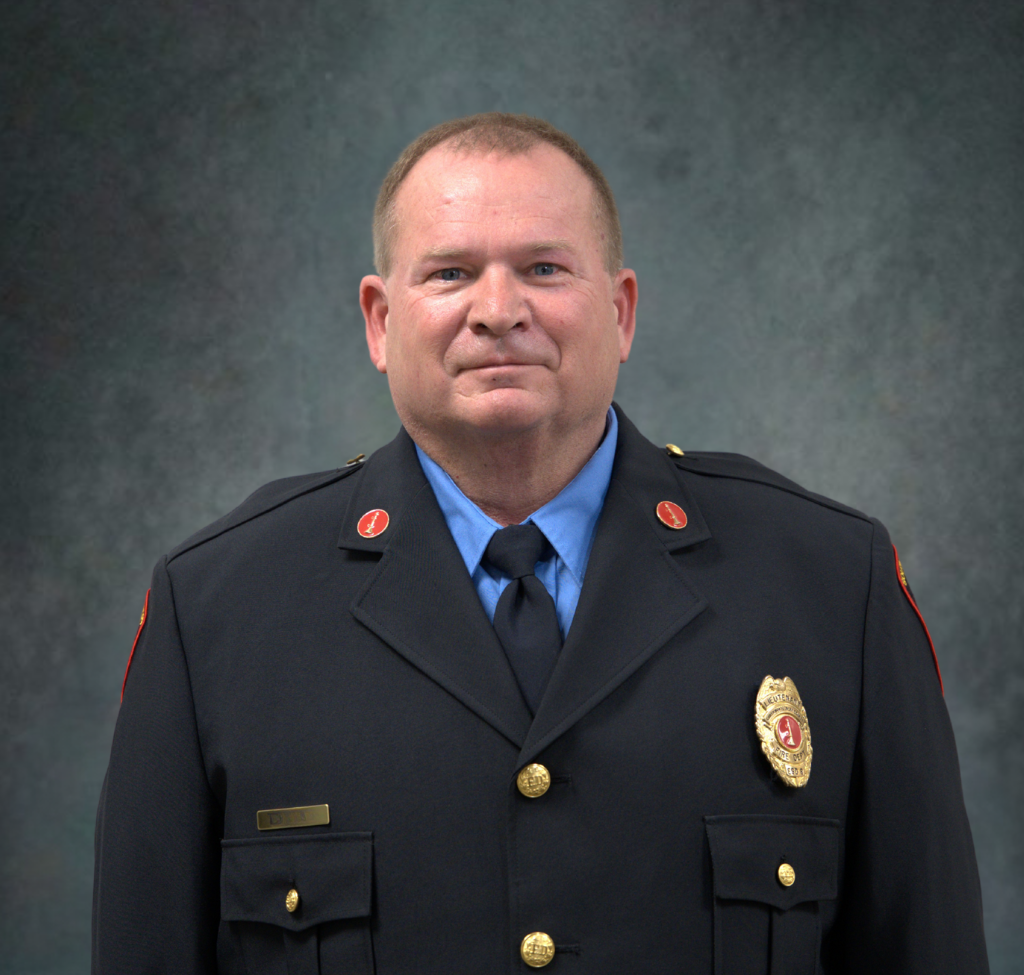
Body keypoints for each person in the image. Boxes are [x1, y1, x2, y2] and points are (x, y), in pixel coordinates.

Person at [92, 113, 989, 974]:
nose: (497, 309)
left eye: (545, 267)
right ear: (378, 320)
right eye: (448, 273)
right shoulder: (215, 610)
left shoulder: (831, 581)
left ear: (622, 310)